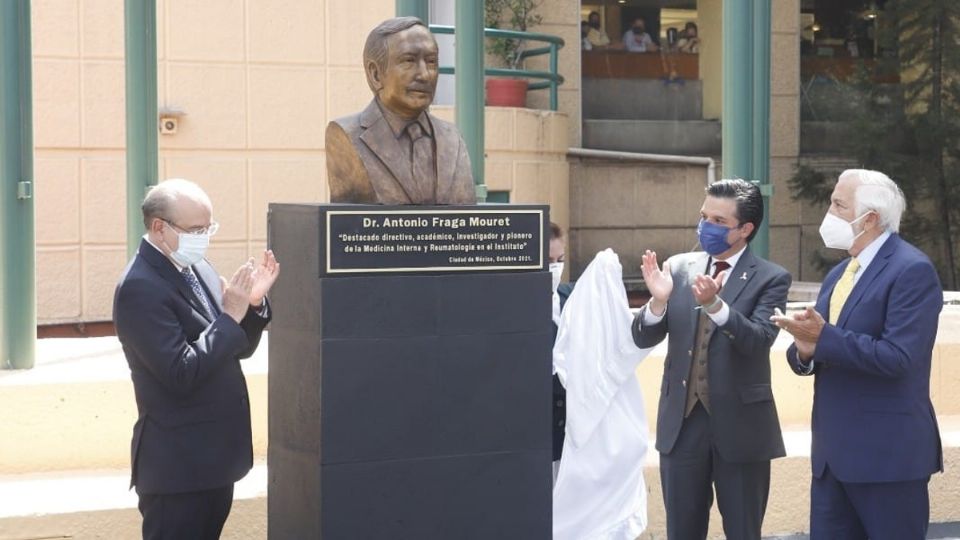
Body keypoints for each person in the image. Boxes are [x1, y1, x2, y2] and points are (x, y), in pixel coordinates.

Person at [772, 169, 943, 540]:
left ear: (868, 219)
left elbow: (899, 357)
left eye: (838, 204)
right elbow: (821, 346)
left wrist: (824, 338)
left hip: (887, 458)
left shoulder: (912, 270)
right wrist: (804, 351)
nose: (829, 212)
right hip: (832, 459)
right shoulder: (839, 274)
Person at [113, 179, 280, 540]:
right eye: (195, 230)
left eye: (208, 228)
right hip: (178, 469)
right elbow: (180, 372)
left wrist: (251, 306)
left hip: (215, 459)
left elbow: (235, 347)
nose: (203, 238)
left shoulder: (196, 266)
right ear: (159, 227)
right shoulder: (139, 287)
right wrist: (228, 318)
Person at [633, 178, 790, 540]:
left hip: (742, 427)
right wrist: (656, 302)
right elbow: (643, 335)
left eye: (719, 221)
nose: (706, 226)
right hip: (682, 425)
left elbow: (759, 339)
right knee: (682, 531)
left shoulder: (771, 278)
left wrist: (716, 307)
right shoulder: (679, 267)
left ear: (745, 229)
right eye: (704, 216)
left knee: (743, 530)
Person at [325, 17, 476, 205]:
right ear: (376, 74)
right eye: (409, 61)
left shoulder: (453, 139)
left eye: (431, 62)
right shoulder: (346, 135)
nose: (424, 74)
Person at [549, 222, 573, 482]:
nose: (555, 267)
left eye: (560, 259)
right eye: (548, 260)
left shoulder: (572, 296)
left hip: (568, 426)